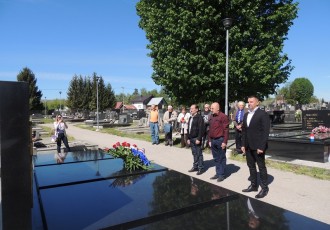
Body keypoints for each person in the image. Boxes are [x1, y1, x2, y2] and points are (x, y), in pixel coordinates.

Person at [241, 95, 270, 199]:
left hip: (258, 146)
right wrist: (243, 144)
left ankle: (264, 188)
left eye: (251, 102)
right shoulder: (246, 115)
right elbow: (244, 131)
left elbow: (265, 132)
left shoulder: (263, 114)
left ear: (257, 103)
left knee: (261, 167)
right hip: (248, 146)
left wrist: (261, 146)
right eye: (248, 102)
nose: (249, 103)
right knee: (251, 166)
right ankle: (253, 185)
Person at [208, 102, 229, 182]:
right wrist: (209, 140)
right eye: (211, 108)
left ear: (218, 108)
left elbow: (226, 130)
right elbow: (210, 129)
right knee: (216, 158)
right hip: (213, 140)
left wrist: (224, 142)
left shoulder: (223, 116)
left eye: (212, 108)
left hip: (220, 140)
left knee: (221, 158)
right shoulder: (211, 116)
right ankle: (217, 173)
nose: (211, 109)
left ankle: (221, 175)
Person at [187, 104, 205, 175]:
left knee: (199, 154)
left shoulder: (199, 118)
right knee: (194, 153)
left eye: (192, 108)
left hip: (196, 139)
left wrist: (199, 138)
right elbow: (189, 128)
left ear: (197, 109)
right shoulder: (190, 118)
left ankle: (201, 168)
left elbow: (201, 129)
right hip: (191, 139)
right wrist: (188, 138)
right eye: (190, 108)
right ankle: (195, 166)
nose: (191, 110)